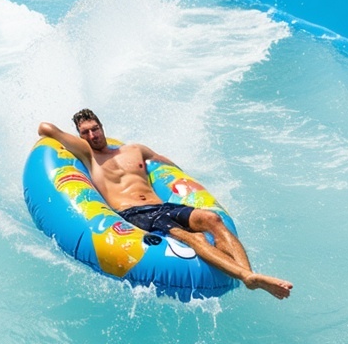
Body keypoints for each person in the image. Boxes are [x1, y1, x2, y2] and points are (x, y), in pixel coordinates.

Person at [38, 109, 293, 300]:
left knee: (212, 220)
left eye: (95, 128)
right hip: (135, 214)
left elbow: (170, 168)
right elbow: (46, 128)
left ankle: (250, 274)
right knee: (195, 240)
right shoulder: (88, 155)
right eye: (86, 132)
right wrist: (79, 141)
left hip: (164, 204)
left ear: (103, 127)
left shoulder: (134, 149)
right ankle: (247, 277)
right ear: (80, 136)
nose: (93, 135)